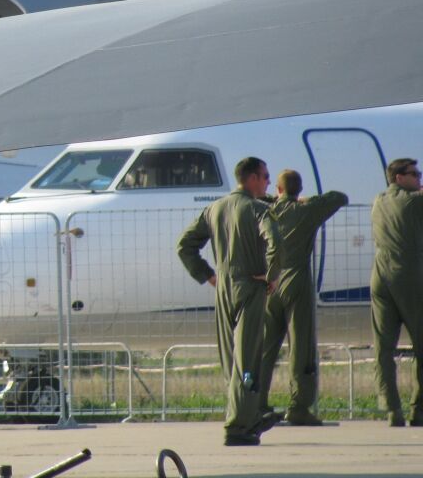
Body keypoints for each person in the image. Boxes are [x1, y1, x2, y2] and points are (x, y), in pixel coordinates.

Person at [177, 156, 282, 446]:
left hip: (223, 286)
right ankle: (239, 426)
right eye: (264, 176)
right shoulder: (258, 209)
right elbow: (275, 240)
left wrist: (208, 275)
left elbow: (185, 245)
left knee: (230, 359)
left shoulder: (215, 208)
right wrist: (273, 275)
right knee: (247, 358)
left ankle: (248, 414)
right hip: (251, 284)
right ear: (251, 179)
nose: (268, 181)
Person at [258, 170, 348, 426]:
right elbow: (339, 197)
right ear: (299, 189)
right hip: (297, 281)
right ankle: (298, 406)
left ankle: (256, 403)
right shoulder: (306, 210)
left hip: (270, 282)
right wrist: (305, 201)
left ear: (277, 188)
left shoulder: (267, 211)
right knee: (301, 347)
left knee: (265, 348)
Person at [370, 158, 423, 427]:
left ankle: (391, 408)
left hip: (380, 276)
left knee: (383, 347)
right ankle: (419, 408)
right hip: (410, 276)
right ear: (399, 178)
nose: (419, 179)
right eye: (415, 174)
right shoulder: (413, 202)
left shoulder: (379, 200)